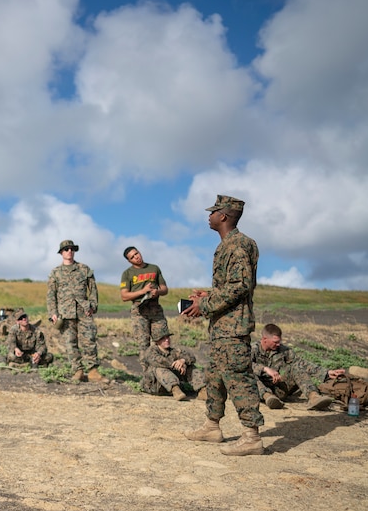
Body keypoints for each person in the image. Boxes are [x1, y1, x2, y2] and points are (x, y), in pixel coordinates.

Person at [181, 195, 264, 456]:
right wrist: (207, 295)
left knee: (238, 379)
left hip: (233, 328)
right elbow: (230, 286)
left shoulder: (238, 245)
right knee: (214, 377)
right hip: (221, 327)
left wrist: (204, 306)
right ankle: (212, 426)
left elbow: (240, 286)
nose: (209, 216)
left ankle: (251, 436)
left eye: (213, 212)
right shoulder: (228, 245)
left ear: (224, 216)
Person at [47, 239, 105, 383]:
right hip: (65, 313)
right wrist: (53, 313)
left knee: (89, 340)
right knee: (70, 343)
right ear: (61, 253)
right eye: (66, 249)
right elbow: (50, 295)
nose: (69, 251)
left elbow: (93, 290)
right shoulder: (55, 273)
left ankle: (93, 372)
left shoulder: (84, 269)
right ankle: (77, 371)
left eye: (72, 249)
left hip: (83, 310)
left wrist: (92, 305)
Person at [252, 323, 335, 410]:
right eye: (275, 342)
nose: (278, 344)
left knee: (296, 367)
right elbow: (241, 366)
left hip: (278, 388)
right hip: (257, 390)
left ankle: (314, 397)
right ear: (265, 339)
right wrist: (265, 369)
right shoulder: (252, 349)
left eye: (279, 341)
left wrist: (326, 372)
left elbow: (300, 362)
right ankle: (268, 397)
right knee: (247, 374)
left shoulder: (282, 350)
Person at [119, 246, 168, 352]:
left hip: (155, 308)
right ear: (129, 261)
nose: (136, 257)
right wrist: (143, 291)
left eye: (136, 254)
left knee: (163, 341)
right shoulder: (127, 273)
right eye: (132, 257)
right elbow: (124, 296)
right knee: (143, 345)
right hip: (139, 310)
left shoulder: (154, 268)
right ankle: (146, 368)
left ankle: (163, 368)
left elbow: (164, 289)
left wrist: (157, 292)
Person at [141, 321, 204, 400]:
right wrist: (177, 365)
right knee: (159, 368)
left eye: (167, 337)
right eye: (163, 338)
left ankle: (202, 390)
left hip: (170, 384)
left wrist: (182, 361)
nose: (167, 340)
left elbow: (191, 357)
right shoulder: (151, 351)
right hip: (155, 386)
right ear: (157, 341)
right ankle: (175, 390)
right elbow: (159, 361)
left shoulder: (173, 351)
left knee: (190, 366)